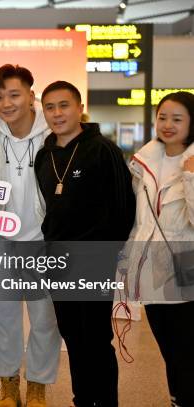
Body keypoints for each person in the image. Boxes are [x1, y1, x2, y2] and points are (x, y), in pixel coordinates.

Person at [34, 81, 135, 407]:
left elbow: (123, 207)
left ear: (79, 107)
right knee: (73, 337)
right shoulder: (44, 155)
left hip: (94, 259)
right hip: (58, 262)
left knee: (94, 338)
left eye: (64, 105)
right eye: (50, 107)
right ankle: (82, 400)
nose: (57, 113)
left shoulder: (102, 150)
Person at [0, 64, 60, 407]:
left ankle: (38, 384)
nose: (6, 103)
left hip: (43, 239)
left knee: (45, 318)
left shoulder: (52, 134)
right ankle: (8, 384)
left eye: (14, 94)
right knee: (4, 318)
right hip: (0, 241)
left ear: (31, 95)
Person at [119, 91, 194, 407]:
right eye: (162, 117)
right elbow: (139, 220)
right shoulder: (144, 160)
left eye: (177, 119)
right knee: (168, 347)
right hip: (151, 268)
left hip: (186, 267)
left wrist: (190, 176)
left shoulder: (192, 164)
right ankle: (178, 397)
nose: (167, 124)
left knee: (186, 348)